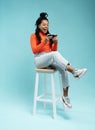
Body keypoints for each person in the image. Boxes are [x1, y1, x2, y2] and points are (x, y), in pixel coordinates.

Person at [30, 12, 87, 109]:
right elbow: (34, 50)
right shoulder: (33, 36)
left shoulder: (48, 36)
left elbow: (54, 51)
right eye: (44, 25)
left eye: (47, 25)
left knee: (64, 69)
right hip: (39, 60)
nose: (46, 26)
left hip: (49, 59)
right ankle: (75, 71)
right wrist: (45, 41)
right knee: (54, 55)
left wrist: (55, 42)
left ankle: (65, 97)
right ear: (39, 25)